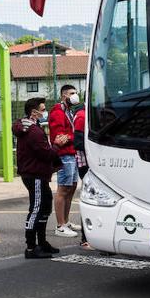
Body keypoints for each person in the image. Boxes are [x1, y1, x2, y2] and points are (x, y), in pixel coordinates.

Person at [14, 97, 60, 259]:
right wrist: (57, 145)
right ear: (34, 112)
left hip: (38, 173)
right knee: (36, 208)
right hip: (35, 174)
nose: (44, 111)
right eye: (42, 109)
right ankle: (31, 247)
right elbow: (45, 153)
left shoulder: (33, 127)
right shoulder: (33, 131)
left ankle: (42, 242)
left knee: (45, 206)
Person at [48, 84, 81, 238]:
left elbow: (69, 135)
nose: (75, 95)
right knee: (63, 190)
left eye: (76, 92)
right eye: (71, 93)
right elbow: (60, 137)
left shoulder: (68, 111)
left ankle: (66, 222)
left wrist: (71, 137)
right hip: (64, 155)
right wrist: (72, 137)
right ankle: (60, 226)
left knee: (72, 188)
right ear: (63, 96)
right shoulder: (57, 112)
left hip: (72, 153)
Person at [72, 103, 92, 251]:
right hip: (86, 164)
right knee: (89, 198)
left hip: (88, 163)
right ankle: (86, 239)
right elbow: (79, 142)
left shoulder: (83, 114)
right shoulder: (82, 116)